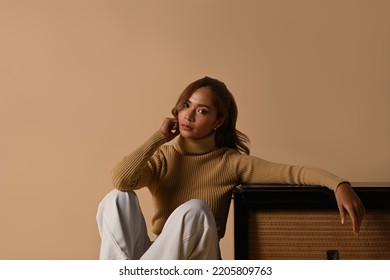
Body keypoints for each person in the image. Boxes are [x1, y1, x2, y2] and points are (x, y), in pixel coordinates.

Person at [96, 76, 365, 260]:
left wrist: (339, 184)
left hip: (196, 263)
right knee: (118, 198)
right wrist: (158, 138)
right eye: (186, 105)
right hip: (160, 257)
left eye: (202, 111)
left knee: (196, 210)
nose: (189, 115)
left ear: (218, 121)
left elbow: (292, 173)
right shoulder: (164, 156)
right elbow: (121, 179)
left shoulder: (229, 162)